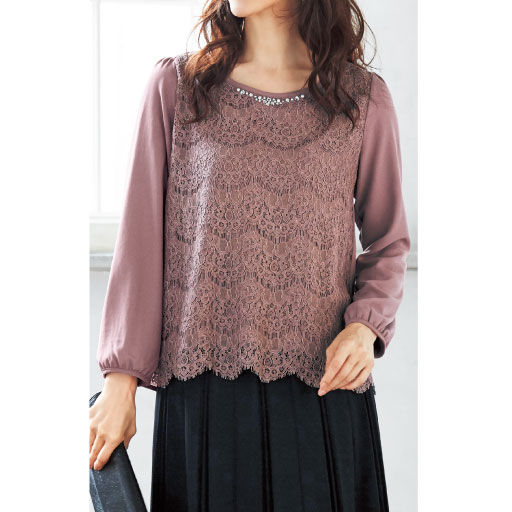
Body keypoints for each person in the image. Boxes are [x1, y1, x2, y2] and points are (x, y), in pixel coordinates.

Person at [89, 0, 410, 510]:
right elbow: (139, 244)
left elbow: (388, 241)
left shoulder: (362, 100)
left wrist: (365, 327)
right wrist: (119, 383)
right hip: (203, 401)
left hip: (322, 398)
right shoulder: (178, 89)